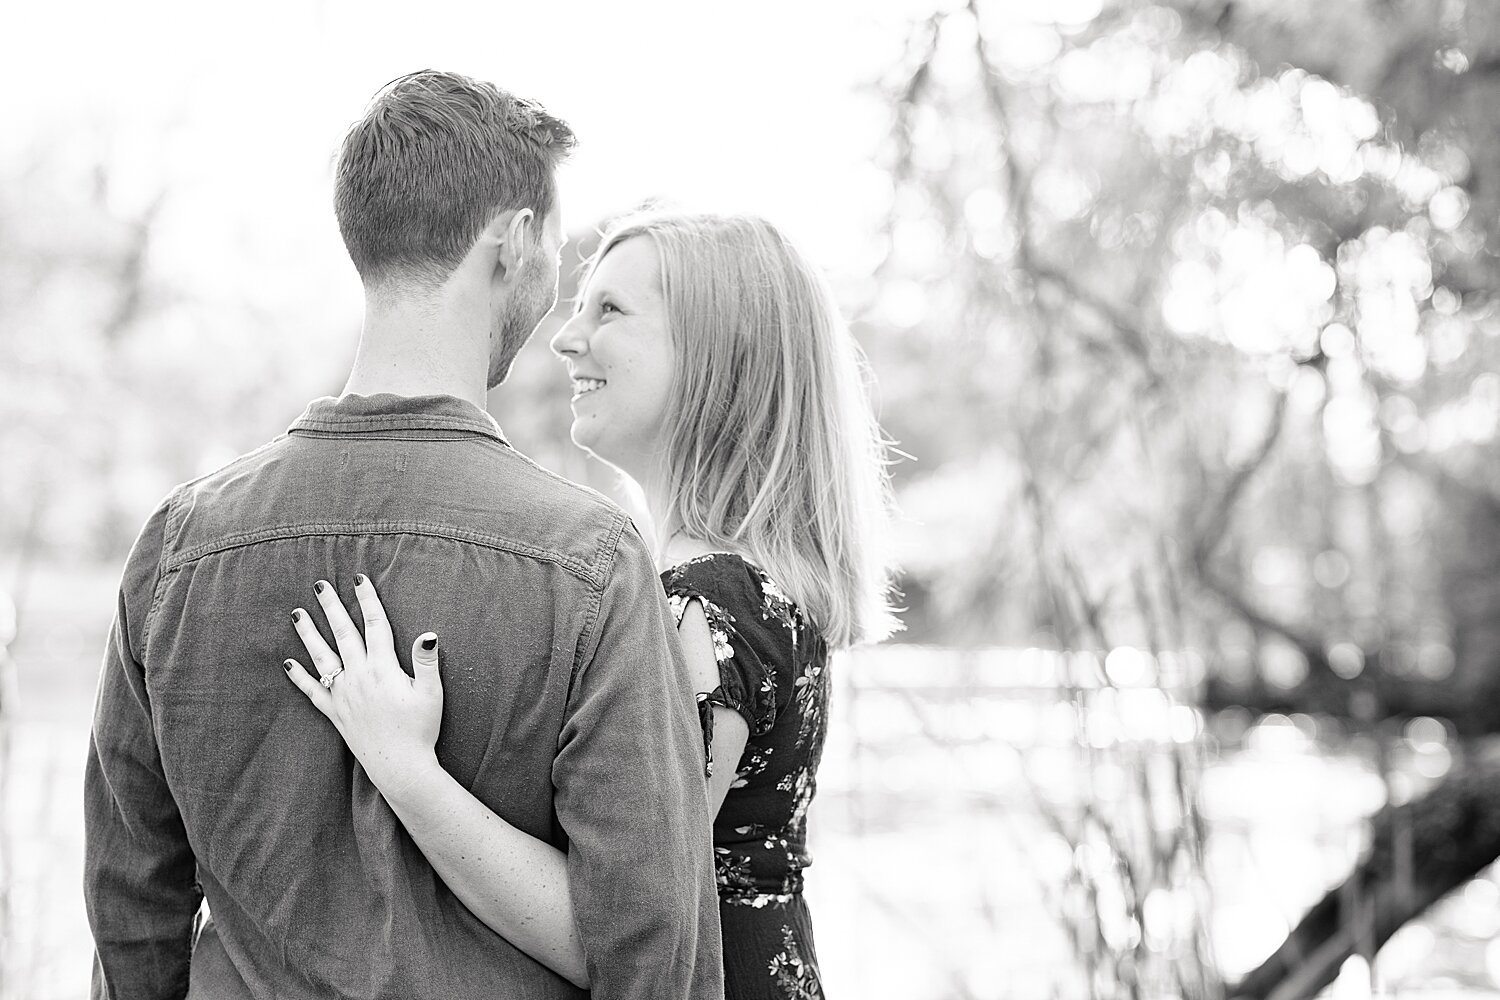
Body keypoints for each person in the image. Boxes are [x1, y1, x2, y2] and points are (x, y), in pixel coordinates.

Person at [83, 71, 723, 1000]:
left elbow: (128, 908)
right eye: (554, 250)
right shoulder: (591, 561)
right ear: (514, 239)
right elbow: (655, 953)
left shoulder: (179, 546)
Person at [283, 211, 898, 999]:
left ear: (719, 354)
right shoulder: (749, 584)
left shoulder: (705, 605)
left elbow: (614, 934)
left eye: (610, 310)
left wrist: (404, 768)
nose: (566, 339)